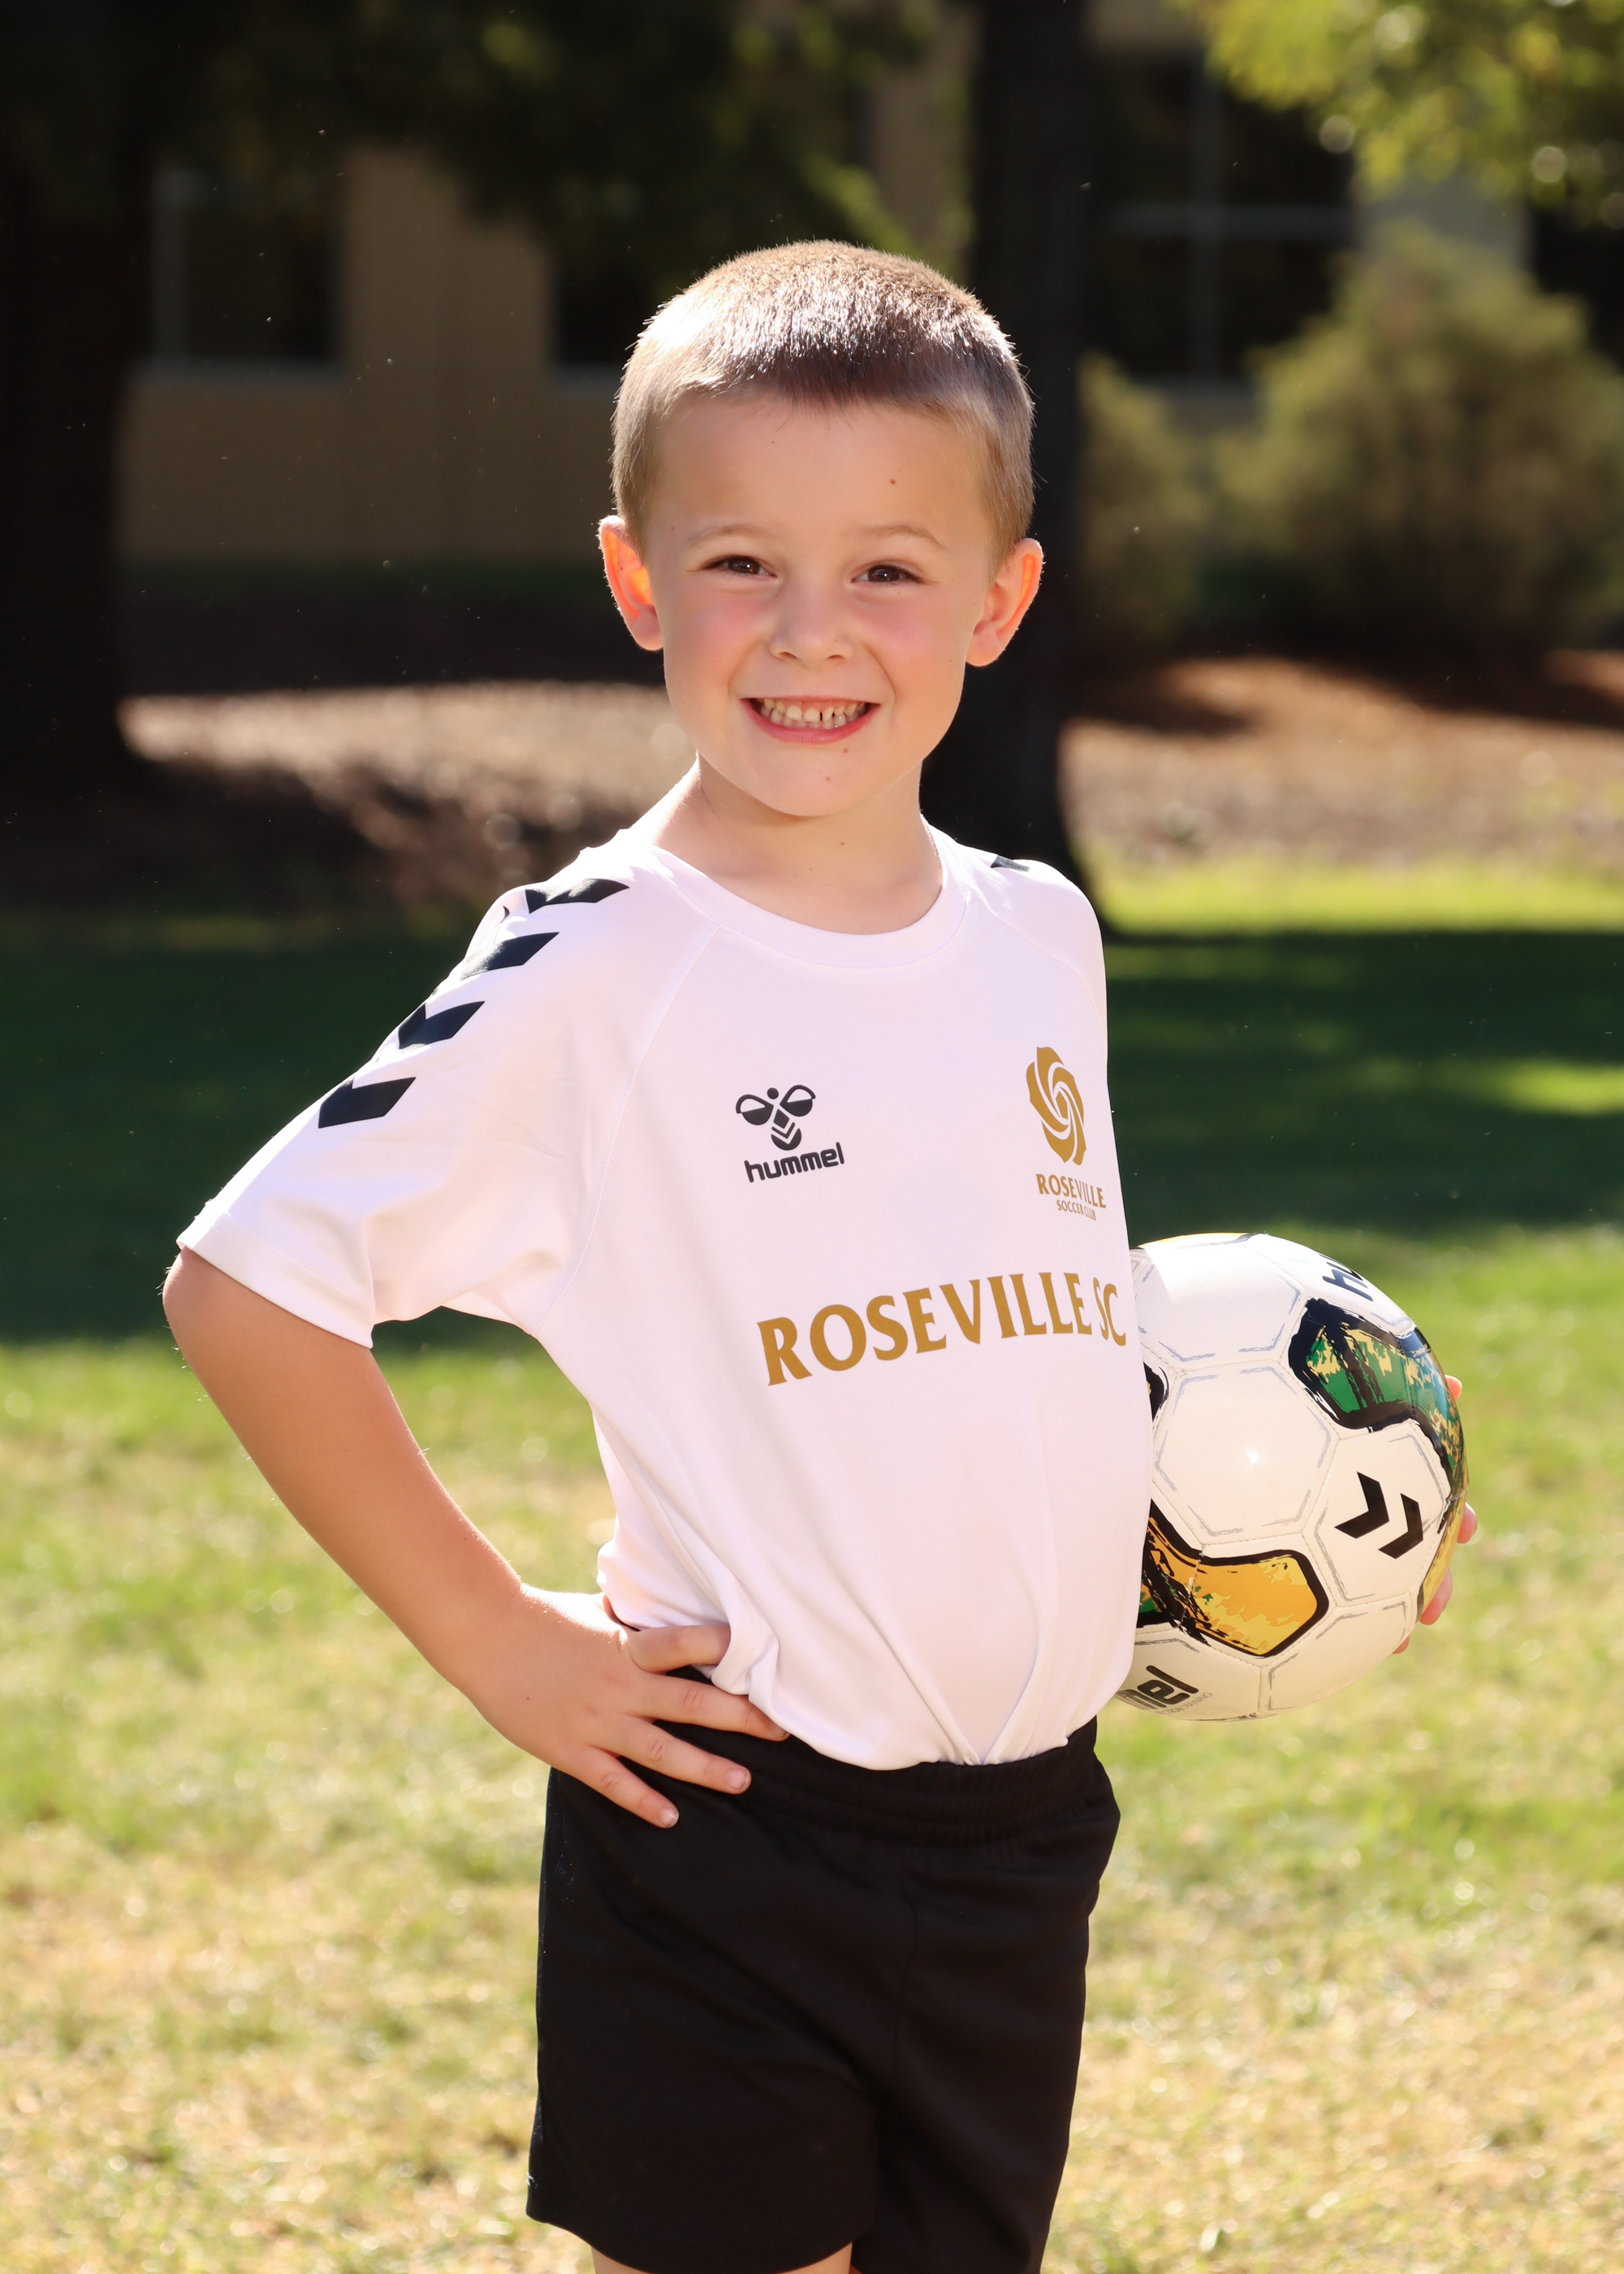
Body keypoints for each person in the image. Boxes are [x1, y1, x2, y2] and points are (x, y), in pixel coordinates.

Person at [162, 240, 1472, 2274]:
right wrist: (496, 1641)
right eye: (739, 564)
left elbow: (1029, 1340)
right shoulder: (595, 962)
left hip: (1022, 1835)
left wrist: (1353, 1521)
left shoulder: (1036, 932)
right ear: (635, 581)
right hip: (733, 1820)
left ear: (999, 601)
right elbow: (246, 1285)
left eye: (883, 567)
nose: (808, 630)